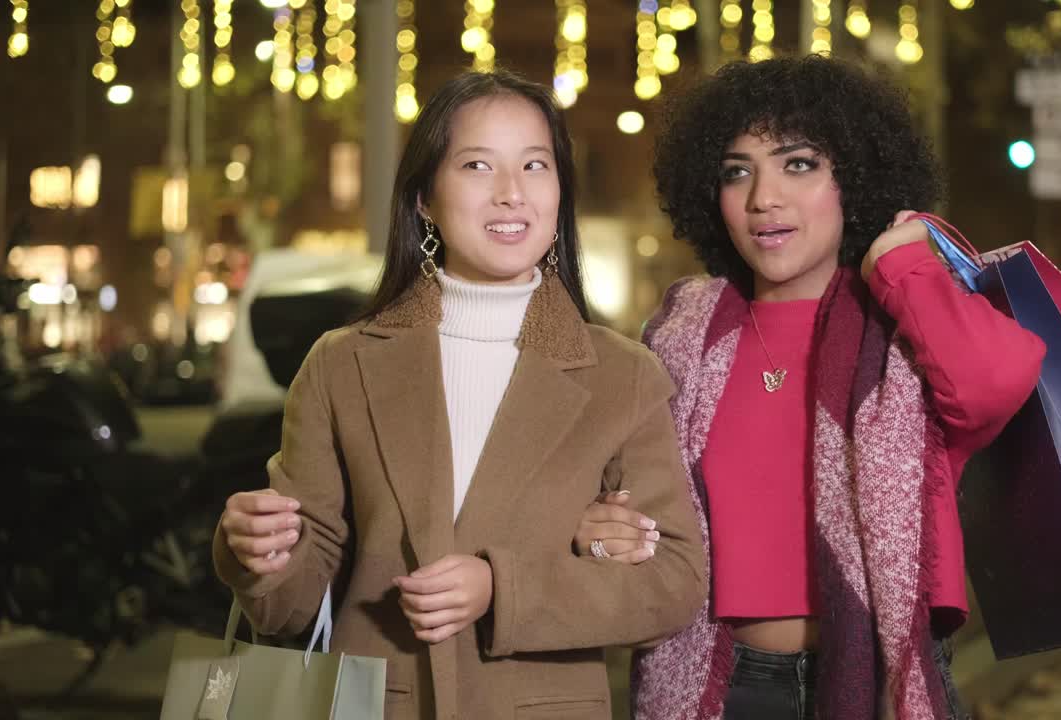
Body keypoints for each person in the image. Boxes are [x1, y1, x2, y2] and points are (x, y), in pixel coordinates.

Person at [213, 70, 707, 720]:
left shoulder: (622, 374)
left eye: (535, 165)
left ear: (560, 191)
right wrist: (257, 553)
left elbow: (673, 583)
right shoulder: (343, 363)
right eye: (477, 165)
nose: (511, 193)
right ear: (424, 197)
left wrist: (505, 590)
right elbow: (293, 600)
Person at [572, 55, 1046, 719]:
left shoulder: (904, 334)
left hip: (881, 685)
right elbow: (630, 506)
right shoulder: (683, 338)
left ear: (852, 177)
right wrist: (606, 529)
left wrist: (904, 262)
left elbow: (997, 384)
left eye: (799, 164)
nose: (765, 197)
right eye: (738, 170)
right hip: (719, 688)